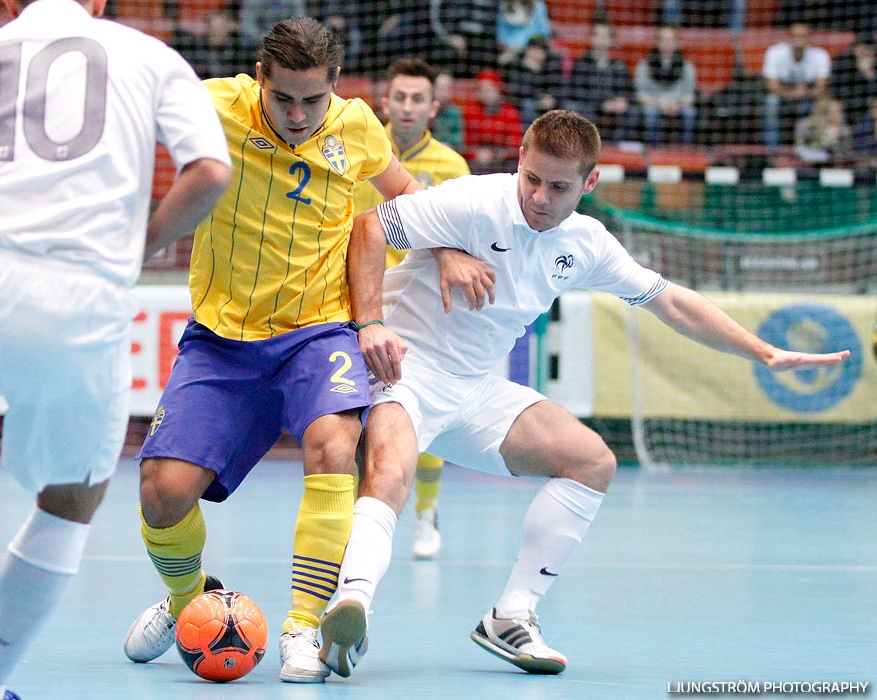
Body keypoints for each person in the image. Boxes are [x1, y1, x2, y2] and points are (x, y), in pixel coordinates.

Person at [315, 109, 851, 678]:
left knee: (591, 460)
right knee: (392, 470)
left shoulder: (587, 242)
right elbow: (370, 229)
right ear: (520, 161)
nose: (540, 197)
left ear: (589, 183)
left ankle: (511, 615)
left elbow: (670, 300)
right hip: (405, 370)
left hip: (473, 387)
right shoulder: (474, 200)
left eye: (559, 186)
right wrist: (371, 324)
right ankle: (349, 609)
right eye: (533, 179)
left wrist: (763, 352)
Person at [120, 17, 419, 685]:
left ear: (334, 88)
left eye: (312, 100)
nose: (297, 114)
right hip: (222, 342)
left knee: (335, 447)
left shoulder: (357, 127)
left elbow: (407, 198)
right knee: (161, 496)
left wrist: (452, 252)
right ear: (260, 78)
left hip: (319, 333)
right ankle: (188, 604)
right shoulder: (215, 106)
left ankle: (303, 627)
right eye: (283, 98)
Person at [0, 0, 232, 698]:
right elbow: (210, 171)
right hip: (77, 296)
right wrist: (136, 246)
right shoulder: (149, 56)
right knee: (69, 500)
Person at [352, 57, 471, 559]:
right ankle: (363, 518)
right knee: (358, 419)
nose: (406, 106)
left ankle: (426, 513)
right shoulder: (356, 148)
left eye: (417, 99)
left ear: (432, 107)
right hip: (363, 301)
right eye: (399, 97)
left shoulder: (452, 167)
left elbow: (462, 242)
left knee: (427, 417)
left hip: (423, 309)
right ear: (385, 100)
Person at [565, 16, 638, 142]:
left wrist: (623, 101)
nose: (602, 39)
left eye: (605, 36)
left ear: (611, 39)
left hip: (615, 113)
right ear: (592, 38)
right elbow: (575, 93)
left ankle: (619, 148)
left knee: (633, 112)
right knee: (576, 109)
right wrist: (602, 105)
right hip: (591, 109)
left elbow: (630, 92)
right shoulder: (582, 64)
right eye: (598, 35)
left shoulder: (619, 65)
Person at [761, 22, 830, 148]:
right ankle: (772, 151)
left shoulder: (820, 55)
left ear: (809, 39)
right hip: (782, 96)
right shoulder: (775, 53)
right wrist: (792, 93)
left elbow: (821, 88)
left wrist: (805, 93)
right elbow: (771, 86)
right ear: (789, 38)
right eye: (796, 36)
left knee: (823, 104)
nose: (799, 41)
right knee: (770, 102)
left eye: (803, 36)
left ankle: (809, 148)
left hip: (808, 97)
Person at [634, 24, 698, 144]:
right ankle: (653, 148)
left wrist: (677, 104)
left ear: (677, 42)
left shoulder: (687, 67)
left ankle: (685, 149)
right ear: (657, 41)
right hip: (654, 104)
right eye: (663, 39)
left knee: (690, 113)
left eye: (670, 40)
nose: (666, 43)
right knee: (650, 113)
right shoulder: (645, 65)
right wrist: (659, 103)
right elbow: (640, 95)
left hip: (678, 105)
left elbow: (690, 96)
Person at [462, 69, 524, 174]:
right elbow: (463, 144)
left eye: (489, 89)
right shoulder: (470, 112)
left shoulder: (510, 113)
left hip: (503, 163)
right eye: (481, 90)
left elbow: (516, 145)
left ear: (498, 90)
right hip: (477, 162)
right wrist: (475, 154)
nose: (485, 94)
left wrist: (500, 155)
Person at [502, 35, 565, 128]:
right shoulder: (516, 65)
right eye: (533, 49)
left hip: (547, 103)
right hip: (523, 104)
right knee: (528, 105)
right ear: (527, 50)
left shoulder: (551, 65)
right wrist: (532, 71)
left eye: (540, 50)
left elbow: (559, 87)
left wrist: (552, 99)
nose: (536, 53)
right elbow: (518, 91)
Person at [170, 8, 251, 80]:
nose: (218, 32)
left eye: (221, 27)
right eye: (215, 27)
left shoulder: (238, 51)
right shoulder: (197, 51)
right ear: (207, 28)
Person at [830, 32, 877, 130]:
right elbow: (836, 92)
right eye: (861, 48)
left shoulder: (874, 65)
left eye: (869, 49)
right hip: (846, 107)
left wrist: (869, 75)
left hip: (869, 110)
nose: (865, 52)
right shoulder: (843, 62)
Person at [794, 96, 853, 164]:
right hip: (813, 164)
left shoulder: (845, 131)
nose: (837, 114)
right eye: (833, 111)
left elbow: (846, 152)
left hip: (835, 167)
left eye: (839, 111)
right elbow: (803, 145)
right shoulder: (812, 126)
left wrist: (835, 135)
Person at [496, 0, 552, 66]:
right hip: (508, 51)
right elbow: (500, 33)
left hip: (531, 49)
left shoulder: (538, 5)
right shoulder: (503, 5)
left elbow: (544, 32)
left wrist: (533, 49)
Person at [431, 71, 465, 152]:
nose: (443, 92)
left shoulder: (455, 112)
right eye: (440, 88)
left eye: (447, 88)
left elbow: (459, 138)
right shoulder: (426, 109)